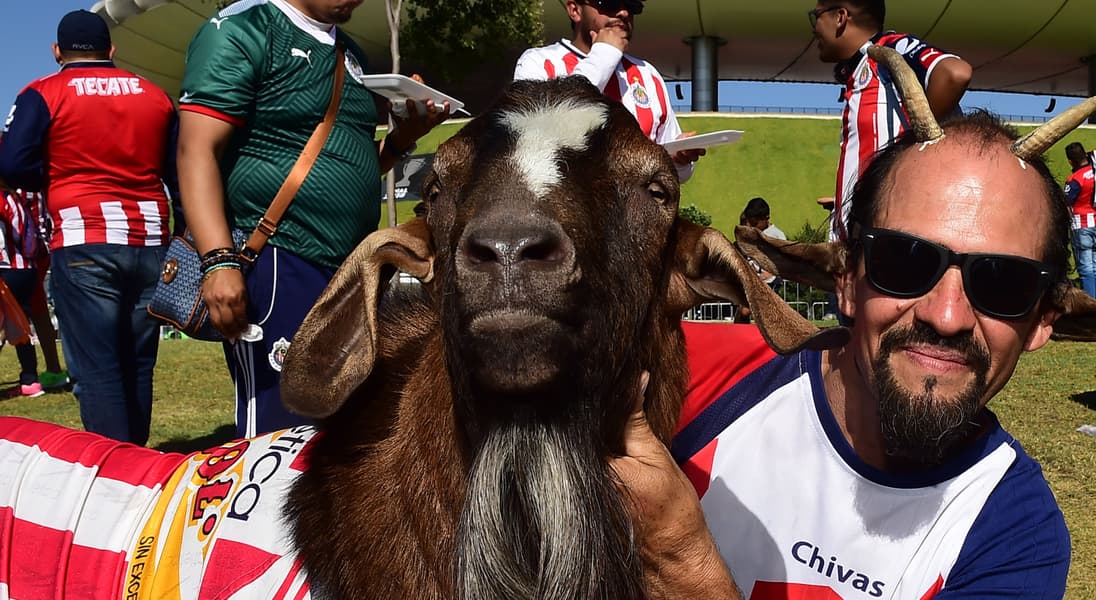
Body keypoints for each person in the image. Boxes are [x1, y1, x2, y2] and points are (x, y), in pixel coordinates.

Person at [598, 107, 1096, 600]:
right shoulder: (708, 381)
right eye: (905, 261)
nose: (946, 314)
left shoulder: (1010, 525)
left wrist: (678, 561)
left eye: (1000, 283)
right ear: (844, 277)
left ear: (1041, 321)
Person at [178, 0, 448, 438]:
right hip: (279, 257)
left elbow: (348, 161)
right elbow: (195, 150)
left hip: (349, 267)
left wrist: (401, 139)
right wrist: (218, 260)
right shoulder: (244, 29)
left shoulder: (352, 55)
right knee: (282, 424)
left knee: (346, 420)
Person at [0, 10, 175, 444]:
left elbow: (11, 163)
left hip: (83, 238)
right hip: (151, 237)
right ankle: (138, 460)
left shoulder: (43, 92)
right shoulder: (153, 94)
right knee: (138, 362)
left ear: (57, 51)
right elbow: (179, 168)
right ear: (111, 50)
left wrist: (56, 175)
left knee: (97, 369)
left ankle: (116, 474)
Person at [810, 0, 971, 242]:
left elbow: (954, 73)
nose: (813, 28)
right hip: (856, 250)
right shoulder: (861, 69)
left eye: (816, 16)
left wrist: (905, 153)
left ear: (840, 17)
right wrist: (845, 198)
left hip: (886, 248)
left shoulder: (890, 48)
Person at [514, 0, 702, 182]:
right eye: (609, 3)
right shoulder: (538, 63)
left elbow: (676, 174)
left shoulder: (648, 74)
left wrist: (679, 159)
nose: (624, 13)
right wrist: (604, 56)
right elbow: (531, 143)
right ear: (575, 10)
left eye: (631, 5)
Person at [0, 185, 66, 397]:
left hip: (10, 265)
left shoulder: (7, 197)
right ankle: (31, 378)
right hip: (30, 263)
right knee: (20, 323)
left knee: (11, 322)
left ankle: (37, 375)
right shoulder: (26, 191)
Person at [1062, 141, 1096, 303]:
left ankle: (1090, 305)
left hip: (1081, 225)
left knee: (1085, 270)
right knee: (1095, 267)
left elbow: (1066, 203)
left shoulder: (1075, 179)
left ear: (1070, 161)